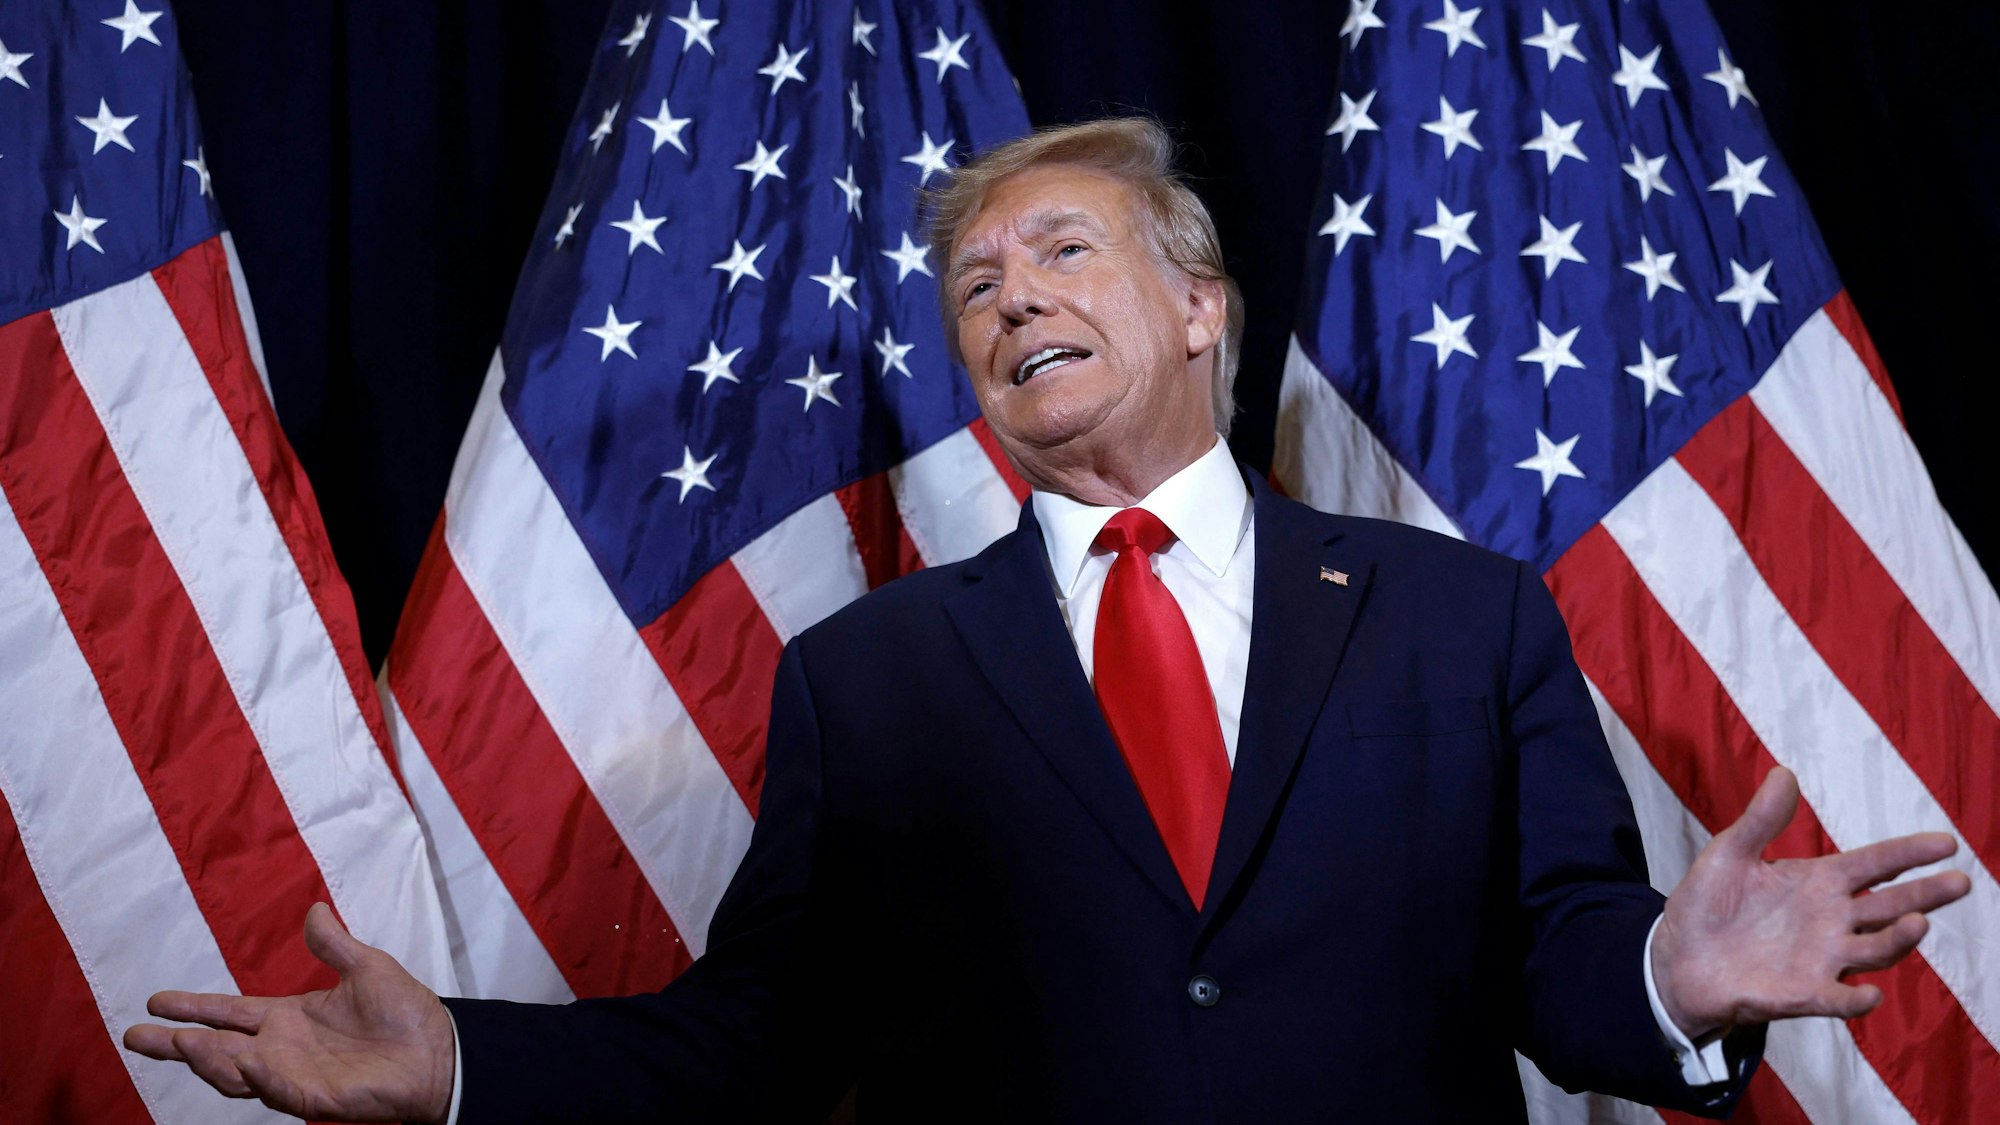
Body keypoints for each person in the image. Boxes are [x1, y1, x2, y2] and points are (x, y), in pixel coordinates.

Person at [125, 118, 1970, 1123]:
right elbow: (766, 1038)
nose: (1007, 302)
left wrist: (1671, 978)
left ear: (1199, 309)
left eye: (1061, 254)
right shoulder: (876, 675)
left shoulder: (1458, 619)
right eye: (974, 289)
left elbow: (1562, 963)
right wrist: (457, 1062)